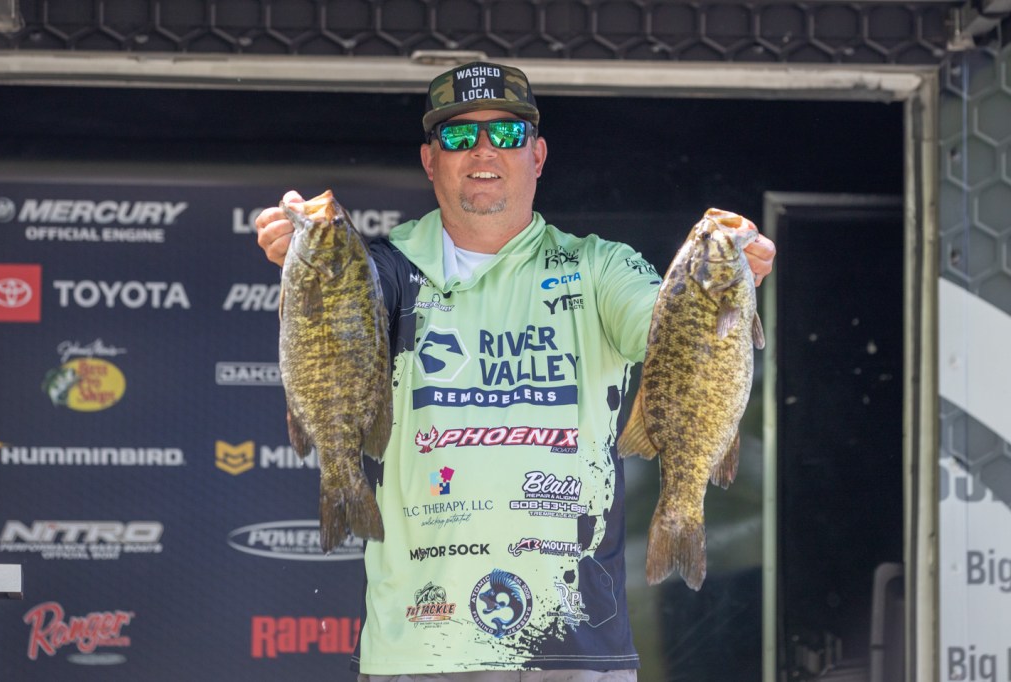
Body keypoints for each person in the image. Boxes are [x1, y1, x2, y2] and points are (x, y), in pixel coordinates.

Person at [255, 61, 776, 682]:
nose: (483, 149)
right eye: (458, 135)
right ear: (430, 160)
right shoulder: (385, 269)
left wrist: (716, 292)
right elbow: (336, 320)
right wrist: (303, 259)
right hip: (420, 647)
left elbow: (666, 330)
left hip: (575, 646)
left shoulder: (600, 268)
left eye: (506, 133)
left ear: (538, 155)